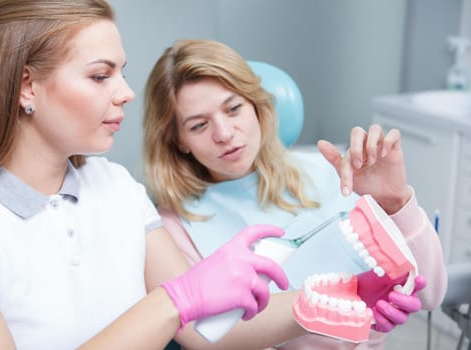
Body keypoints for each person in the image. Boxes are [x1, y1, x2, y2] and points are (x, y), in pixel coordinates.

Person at [0, 2, 302, 349]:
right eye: (100, 76)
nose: (127, 93)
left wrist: (343, 295)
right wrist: (171, 302)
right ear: (27, 86)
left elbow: (202, 328)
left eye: (121, 73)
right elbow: (180, 304)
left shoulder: (115, 185)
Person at [142, 39, 448, 349]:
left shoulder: (335, 172)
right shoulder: (174, 227)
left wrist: (394, 204)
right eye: (198, 125)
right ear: (179, 140)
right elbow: (211, 338)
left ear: (256, 106)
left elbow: (429, 295)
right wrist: (348, 320)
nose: (223, 133)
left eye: (233, 108)